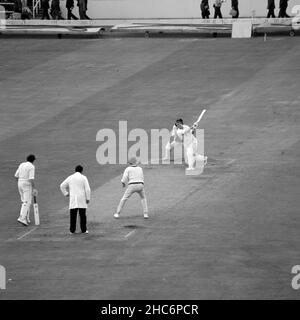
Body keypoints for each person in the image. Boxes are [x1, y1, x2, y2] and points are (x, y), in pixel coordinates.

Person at [60, 165, 91, 234]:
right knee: (82, 215)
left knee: (73, 215)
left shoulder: (70, 177)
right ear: (82, 171)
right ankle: (84, 230)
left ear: (75, 170)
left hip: (73, 198)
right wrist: (88, 198)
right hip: (81, 198)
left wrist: (66, 193)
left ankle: (72, 230)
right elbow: (87, 189)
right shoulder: (83, 178)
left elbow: (62, 185)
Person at [15, 154, 37, 226]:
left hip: (19, 183)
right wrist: (34, 188)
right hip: (27, 184)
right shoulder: (31, 166)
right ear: (33, 160)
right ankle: (22, 218)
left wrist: (20, 183)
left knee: (24, 201)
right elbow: (31, 178)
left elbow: (16, 176)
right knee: (27, 202)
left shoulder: (21, 164)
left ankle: (26, 218)